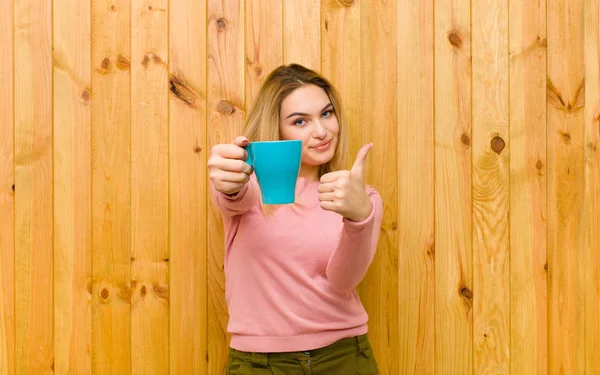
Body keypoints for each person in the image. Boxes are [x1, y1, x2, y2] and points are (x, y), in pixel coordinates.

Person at [208, 63, 383, 374]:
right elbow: (234, 195)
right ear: (277, 129)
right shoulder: (251, 187)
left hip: (344, 357)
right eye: (300, 120)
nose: (321, 131)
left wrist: (358, 218)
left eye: (327, 114)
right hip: (260, 364)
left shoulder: (361, 198)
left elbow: (344, 281)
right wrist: (229, 179)